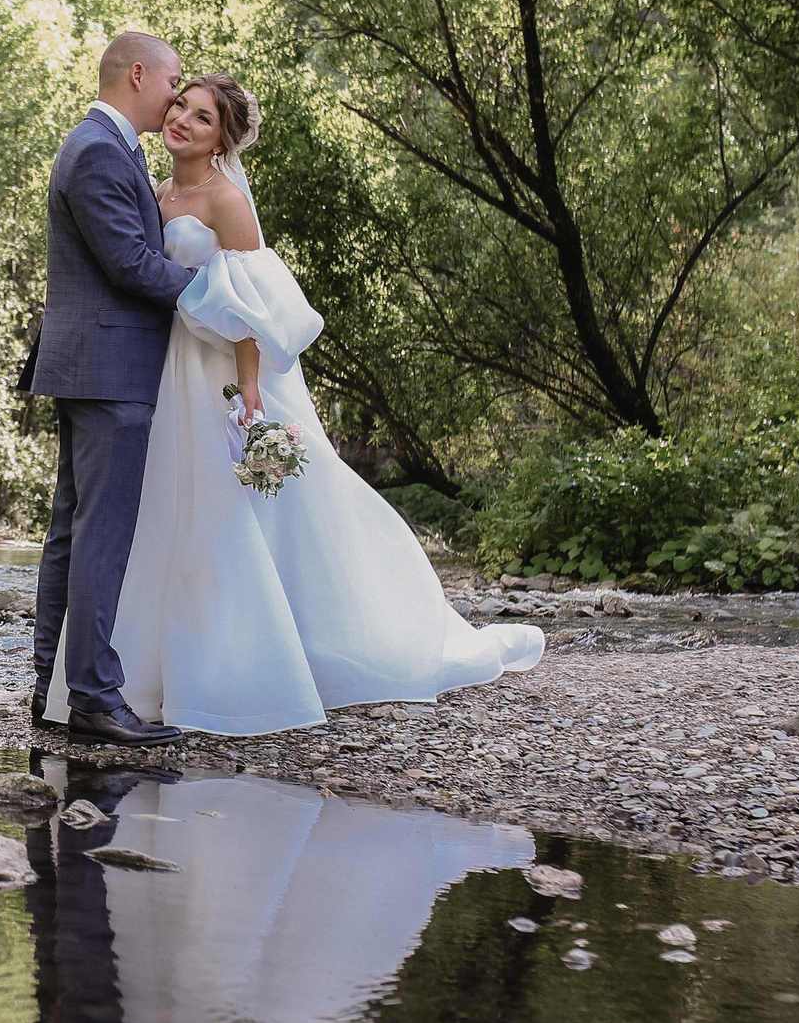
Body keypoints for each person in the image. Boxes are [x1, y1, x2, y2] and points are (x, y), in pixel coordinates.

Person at [39, 72, 544, 734]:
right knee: (167, 511)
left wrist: (249, 393)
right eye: (181, 108)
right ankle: (148, 671)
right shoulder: (157, 190)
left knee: (227, 516)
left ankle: (242, 667)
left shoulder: (226, 200)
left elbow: (255, 306)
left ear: (222, 139)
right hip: (166, 372)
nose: (184, 122)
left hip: (218, 372)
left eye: (202, 118)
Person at [20, 33, 197, 746]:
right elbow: (128, 263)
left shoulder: (111, 147)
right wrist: (221, 289)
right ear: (136, 74)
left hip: (95, 364)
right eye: (172, 80)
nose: (177, 96)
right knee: (101, 534)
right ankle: (92, 693)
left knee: (72, 529)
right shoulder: (97, 149)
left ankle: (52, 684)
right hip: (108, 365)